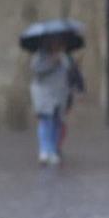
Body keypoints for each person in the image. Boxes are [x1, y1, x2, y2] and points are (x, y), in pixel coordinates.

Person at [29, 36, 71, 166]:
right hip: (44, 94)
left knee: (57, 123)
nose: (57, 45)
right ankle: (44, 151)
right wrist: (52, 62)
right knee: (46, 121)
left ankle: (52, 151)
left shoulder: (63, 57)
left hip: (59, 94)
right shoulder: (39, 56)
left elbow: (68, 70)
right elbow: (37, 70)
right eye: (55, 43)